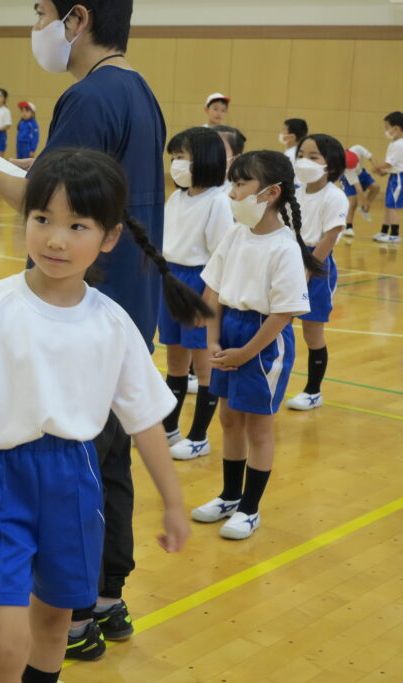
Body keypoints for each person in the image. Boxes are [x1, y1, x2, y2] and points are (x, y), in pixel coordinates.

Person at [0, 149, 194, 683]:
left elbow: (144, 421)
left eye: (77, 225)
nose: (55, 239)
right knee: (5, 645)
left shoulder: (112, 323)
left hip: (74, 478)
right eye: (42, 219)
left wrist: (173, 502)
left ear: (109, 236)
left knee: (54, 627)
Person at [0, 0, 168, 661]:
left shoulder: (90, 95)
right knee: (108, 455)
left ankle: (72, 614)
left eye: (40, 10)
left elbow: (61, 204)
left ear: (76, 18)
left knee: (79, 461)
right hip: (131, 302)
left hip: (89, 309)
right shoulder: (140, 91)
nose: (35, 23)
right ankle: (105, 596)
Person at [193, 150, 323, 539]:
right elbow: (212, 289)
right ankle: (230, 495)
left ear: (270, 193)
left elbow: (283, 315)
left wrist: (246, 352)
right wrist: (213, 340)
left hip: (262, 340)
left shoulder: (285, 247)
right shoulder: (235, 235)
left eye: (240, 183)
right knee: (229, 419)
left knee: (258, 428)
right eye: (232, 183)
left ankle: (250, 509)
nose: (232, 192)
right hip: (228, 331)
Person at [161, 128, 233, 460]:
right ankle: (170, 427)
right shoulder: (176, 197)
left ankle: (199, 435)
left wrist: (207, 301)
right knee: (175, 360)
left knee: (203, 367)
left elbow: (221, 257)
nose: (176, 164)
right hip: (171, 279)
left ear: (203, 159)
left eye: (182, 157)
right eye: (174, 157)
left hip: (200, 282)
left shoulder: (218, 200)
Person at [285, 135, 348, 412]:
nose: (305, 161)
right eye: (302, 155)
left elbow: (330, 236)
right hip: (290, 260)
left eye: (314, 157)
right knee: (278, 324)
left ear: (331, 165)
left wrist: (308, 270)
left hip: (316, 267)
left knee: (312, 333)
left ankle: (313, 390)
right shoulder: (295, 192)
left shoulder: (335, 196)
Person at [371, 111, 403, 243]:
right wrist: (384, 172)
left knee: (393, 206)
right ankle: (384, 231)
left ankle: (394, 234)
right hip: (394, 177)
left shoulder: (400, 144)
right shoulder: (394, 143)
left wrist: (377, 167)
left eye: (386, 127)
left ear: (396, 128)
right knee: (388, 205)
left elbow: (389, 163)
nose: (385, 130)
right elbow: (392, 165)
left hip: (399, 178)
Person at [340, 146, 379, 236]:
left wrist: (376, 168)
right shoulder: (348, 170)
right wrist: (364, 202)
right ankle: (348, 227)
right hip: (347, 180)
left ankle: (363, 209)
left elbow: (370, 157)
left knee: (376, 187)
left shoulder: (357, 148)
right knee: (353, 202)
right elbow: (358, 187)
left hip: (361, 173)